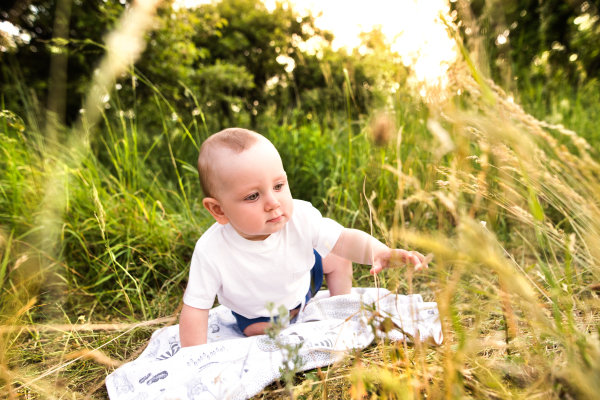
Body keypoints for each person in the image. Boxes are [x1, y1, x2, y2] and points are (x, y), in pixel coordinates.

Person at [179, 128, 428, 347]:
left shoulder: (300, 216)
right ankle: (287, 325)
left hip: (304, 284)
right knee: (262, 334)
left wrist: (379, 251)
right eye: (253, 196)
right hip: (260, 315)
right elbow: (196, 308)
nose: (273, 203)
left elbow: (343, 239)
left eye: (278, 186)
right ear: (219, 210)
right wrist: (194, 359)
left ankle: (338, 308)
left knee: (338, 256)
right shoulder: (211, 251)